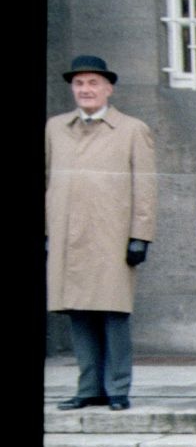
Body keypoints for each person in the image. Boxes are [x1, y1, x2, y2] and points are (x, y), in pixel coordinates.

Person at [46, 55, 157, 412]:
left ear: (108, 88)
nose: (86, 90)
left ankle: (117, 387)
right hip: (68, 236)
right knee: (78, 312)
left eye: (93, 83)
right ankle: (89, 386)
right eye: (79, 84)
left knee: (113, 312)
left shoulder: (130, 129)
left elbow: (145, 186)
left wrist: (140, 234)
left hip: (112, 237)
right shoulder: (56, 128)